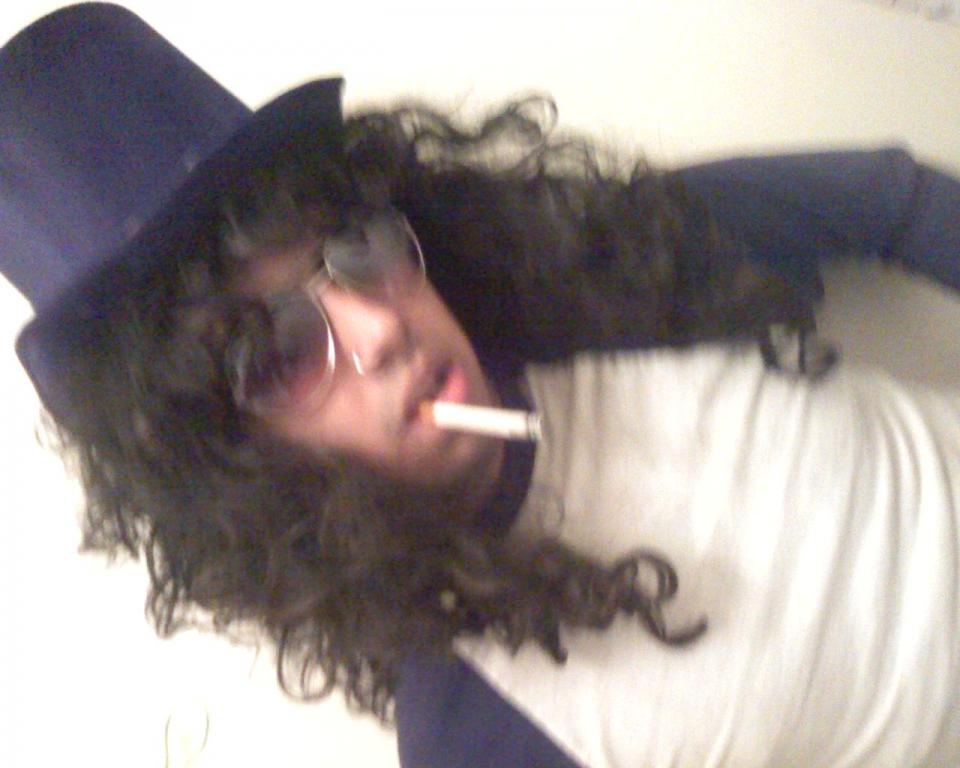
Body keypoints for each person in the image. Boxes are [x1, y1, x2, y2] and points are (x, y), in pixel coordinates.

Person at [2, 5, 959, 767]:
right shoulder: (486, 737)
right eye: (279, 353)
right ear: (232, 465)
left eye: (356, 249)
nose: (381, 327)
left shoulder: (604, 268)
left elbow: (895, 202)